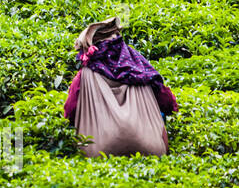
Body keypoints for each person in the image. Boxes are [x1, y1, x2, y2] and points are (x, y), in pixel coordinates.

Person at [63, 17, 178, 157]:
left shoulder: (84, 75)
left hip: (98, 150)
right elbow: (168, 102)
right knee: (160, 115)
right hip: (150, 148)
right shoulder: (138, 67)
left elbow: (70, 110)